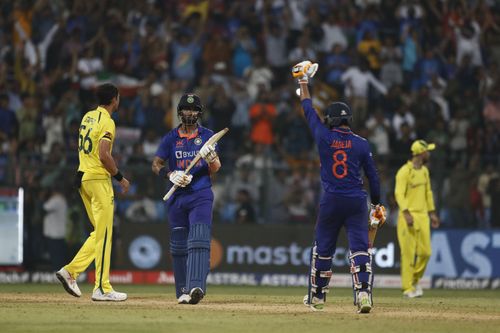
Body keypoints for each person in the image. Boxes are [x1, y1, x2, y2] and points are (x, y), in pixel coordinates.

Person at [292, 61, 385, 313]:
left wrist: (303, 82)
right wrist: (377, 203)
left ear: (331, 120)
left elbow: (308, 109)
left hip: (331, 200)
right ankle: (364, 295)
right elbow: (374, 178)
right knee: (360, 249)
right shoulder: (362, 144)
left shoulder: (323, 137)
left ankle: (318, 297)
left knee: (323, 248)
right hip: (356, 201)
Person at [55, 83, 130, 301]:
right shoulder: (108, 121)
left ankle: (70, 272)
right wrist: (120, 178)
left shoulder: (87, 117)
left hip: (84, 178)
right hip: (99, 180)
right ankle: (102, 288)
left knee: (99, 233)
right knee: (105, 234)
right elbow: (104, 154)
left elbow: (83, 149)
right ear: (114, 99)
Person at [152, 93, 221, 305]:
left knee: (199, 240)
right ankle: (182, 291)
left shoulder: (208, 136)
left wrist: (212, 158)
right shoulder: (170, 138)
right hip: (176, 197)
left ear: (199, 112)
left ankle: (196, 286)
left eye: (193, 110)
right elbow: (156, 164)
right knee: (179, 246)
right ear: (179, 112)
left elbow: (216, 168)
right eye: (185, 109)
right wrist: (170, 174)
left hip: (200, 194)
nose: (189, 113)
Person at [394, 140, 440, 298]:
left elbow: (428, 193)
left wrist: (432, 212)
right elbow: (399, 194)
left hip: (423, 216)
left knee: (426, 252)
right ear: (420, 153)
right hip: (407, 216)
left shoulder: (425, 171)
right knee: (408, 253)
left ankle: (414, 280)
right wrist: (406, 213)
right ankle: (407, 288)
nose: (429, 154)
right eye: (427, 151)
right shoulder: (404, 171)